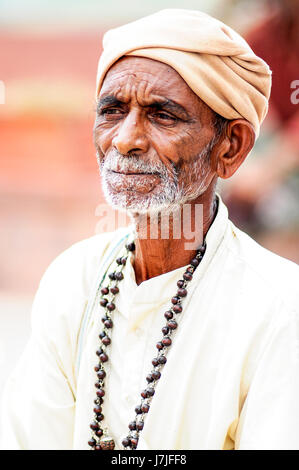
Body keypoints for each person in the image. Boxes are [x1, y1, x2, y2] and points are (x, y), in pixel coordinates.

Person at [1, 9, 299, 451]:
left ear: (230, 147)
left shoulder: (279, 310)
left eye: (162, 115)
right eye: (112, 110)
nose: (125, 139)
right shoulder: (73, 280)